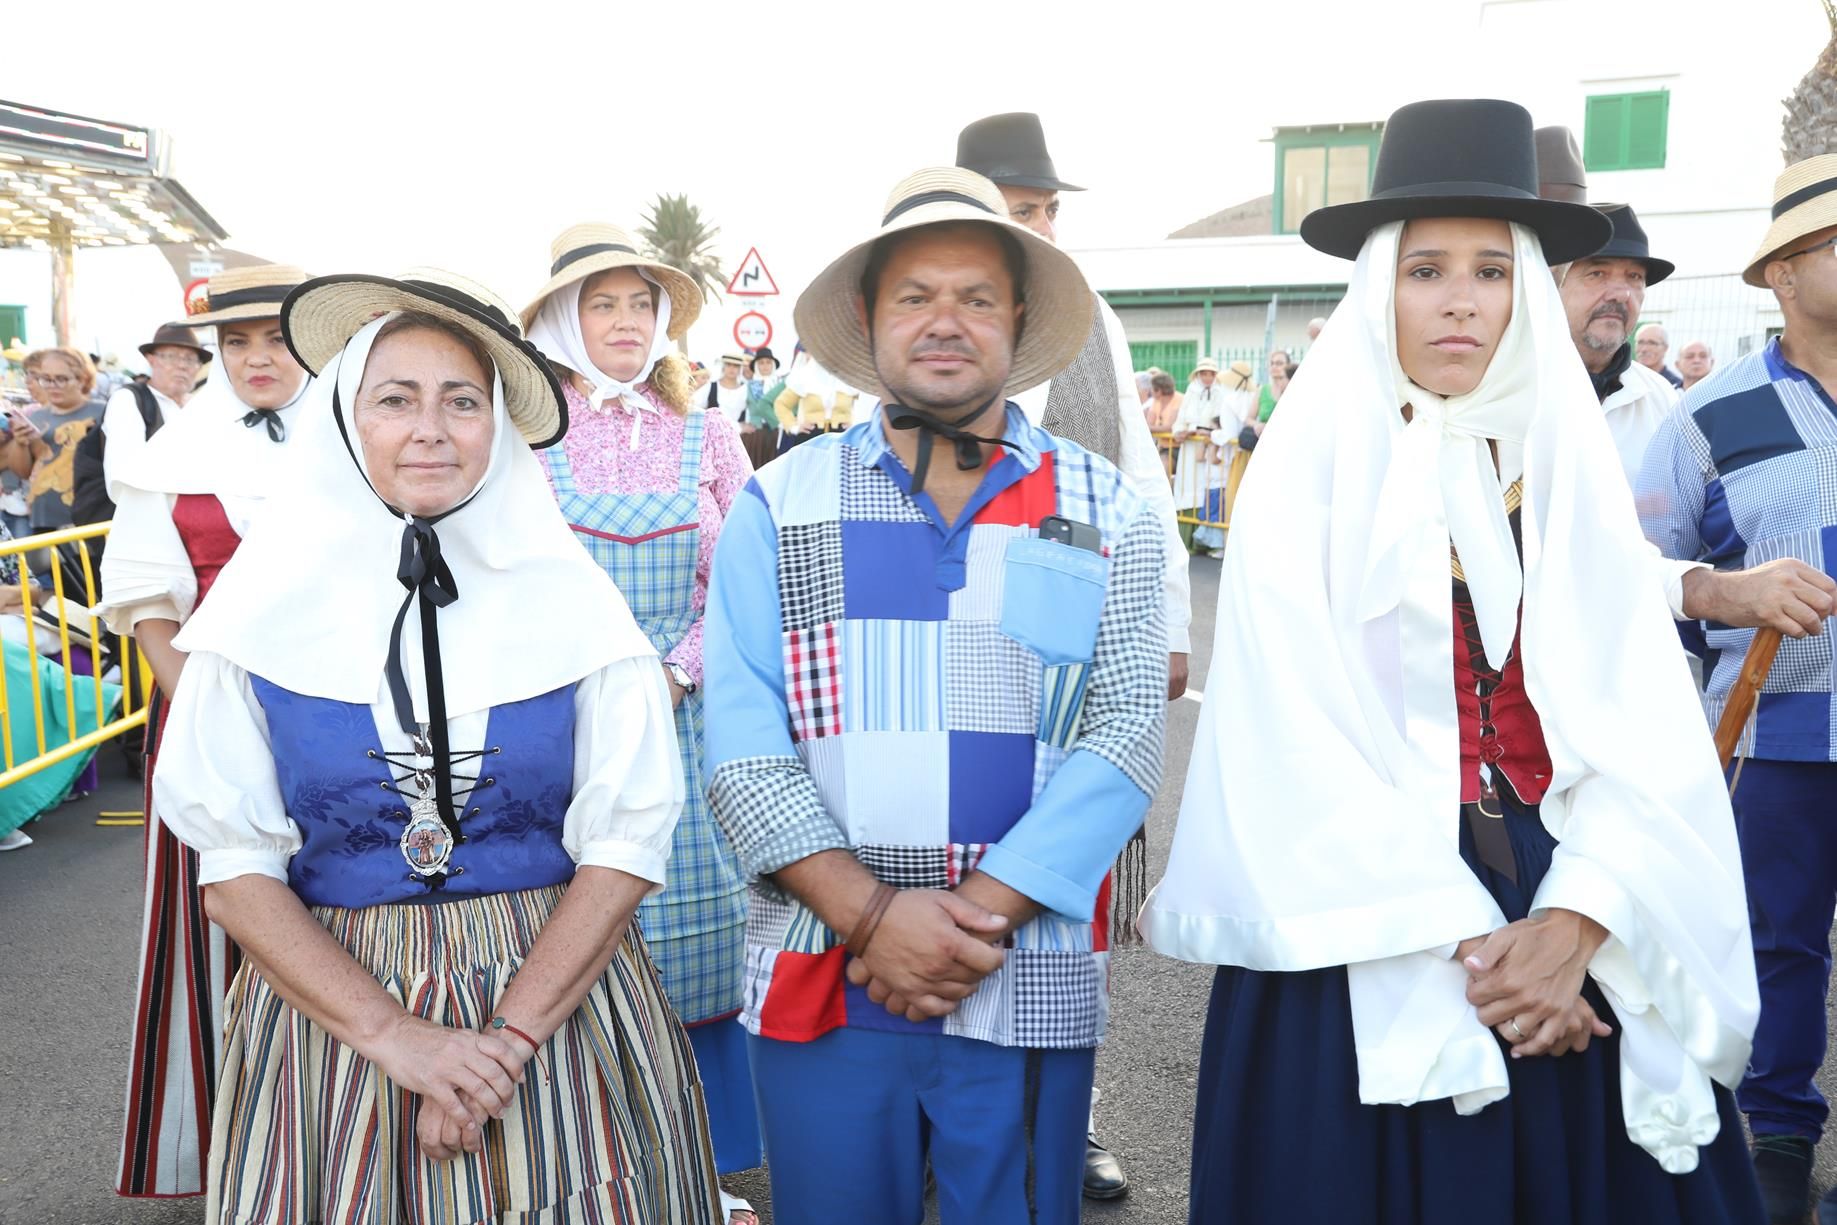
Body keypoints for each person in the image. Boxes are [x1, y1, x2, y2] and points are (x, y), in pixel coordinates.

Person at [1145, 98, 1764, 1224]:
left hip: (1565, 882)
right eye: (1426, 268)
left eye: (1489, 269)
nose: (1460, 299)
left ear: (1524, 289)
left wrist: (1574, 930)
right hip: (1360, 900)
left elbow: (1639, 720)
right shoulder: (1306, 472)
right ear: (1379, 285)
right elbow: (1290, 733)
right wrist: (1490, 953)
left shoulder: (1563, 464)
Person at [153, 268, 722, 1224]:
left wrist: (506, 1038)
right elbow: (235, 867)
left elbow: (623, 848)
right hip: (334, 1020)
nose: (431, 428)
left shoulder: (578, 607)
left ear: (496, 425)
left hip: (558, 1008)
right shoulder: (252, 620)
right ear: (345, 421)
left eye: (463, 401)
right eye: (395, 400)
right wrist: (395, 1037)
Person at [704, 166, 1167, 1224]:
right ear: (869, 322)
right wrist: (871, 916)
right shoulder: (781, 502)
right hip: (823, 964)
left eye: (975, 297)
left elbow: (1129, 732)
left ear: (1018, 321)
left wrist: (972, 917)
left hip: (1023, 964)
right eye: (914, 295)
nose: (944, 321)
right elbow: (742, 744)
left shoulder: (1108, 507)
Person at [521, 225, 759, 1225]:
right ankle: (588, 1165)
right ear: (563, 319)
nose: (622, 323)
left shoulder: (706, 427)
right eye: (600, 304)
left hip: (687, 720)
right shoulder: (522, 428)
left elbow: (748, 575)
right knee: (569, 932)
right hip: (560, 720)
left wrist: (676, 671)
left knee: (692, 938)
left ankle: (693, 1166)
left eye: (636, 304)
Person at [1638, 152, 1837, 1225]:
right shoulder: (1703, 417)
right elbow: (1642, 584)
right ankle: (1776, 1131)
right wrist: (1731, 597)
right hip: (1774, 736)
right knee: (1776, 944)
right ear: (1781, 274)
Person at [95, 265, 312, 1200]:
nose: (257, 358)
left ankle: (337, 1140)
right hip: (208, 719)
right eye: (236, 342)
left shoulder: (361, 437)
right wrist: (219, 725)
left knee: (349, 923)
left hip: (339, 719)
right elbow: (148, 609)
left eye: (275, 337)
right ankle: (240, 1158)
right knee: (217, 928)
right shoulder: (168, 455)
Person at [1558, 204, 1678, 488]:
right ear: (1554, 284)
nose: (1621, 294)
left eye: (1634, 277)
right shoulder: (1507, 385)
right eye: (1597, 273)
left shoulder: (1662, 399)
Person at [8, 347, 109, 534]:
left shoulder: (103, 411)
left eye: (61, 379)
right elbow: (23, 472)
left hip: (90, 517)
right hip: (43, 517)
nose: (52, 385)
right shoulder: (36, 416)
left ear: (83, 379)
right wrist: (20, 442)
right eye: (46, 379)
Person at [102, 323, 212, 486]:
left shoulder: (200, 407)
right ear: (151, 360)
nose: (182, 365)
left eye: (190, 359)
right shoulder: (128, 400)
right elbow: (124, 476)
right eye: (171, 356)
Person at [740, 346, 782, 466]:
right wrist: (740, 425)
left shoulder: (781, 385)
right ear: (756, 366)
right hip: (755, 435)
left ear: (773, 365)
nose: (765, 366)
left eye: (768, 362)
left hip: (777, 433)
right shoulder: (747, 386)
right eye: (761, 363)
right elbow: (735, 409)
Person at [696, 351, 749, 427]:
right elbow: (693, 405)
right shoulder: (711, 386)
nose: (732, 368)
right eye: (728, 365)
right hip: (714, 435)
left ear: (740, 368)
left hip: (741, 436)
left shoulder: (746, 389)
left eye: (736, 366)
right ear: (723, 367)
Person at [1636, 322, 1685, 388]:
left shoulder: (1674, 385)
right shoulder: (1623, 378)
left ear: (1665, 348)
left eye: (1652, 343)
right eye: (1640, 342)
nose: (1644, 349)